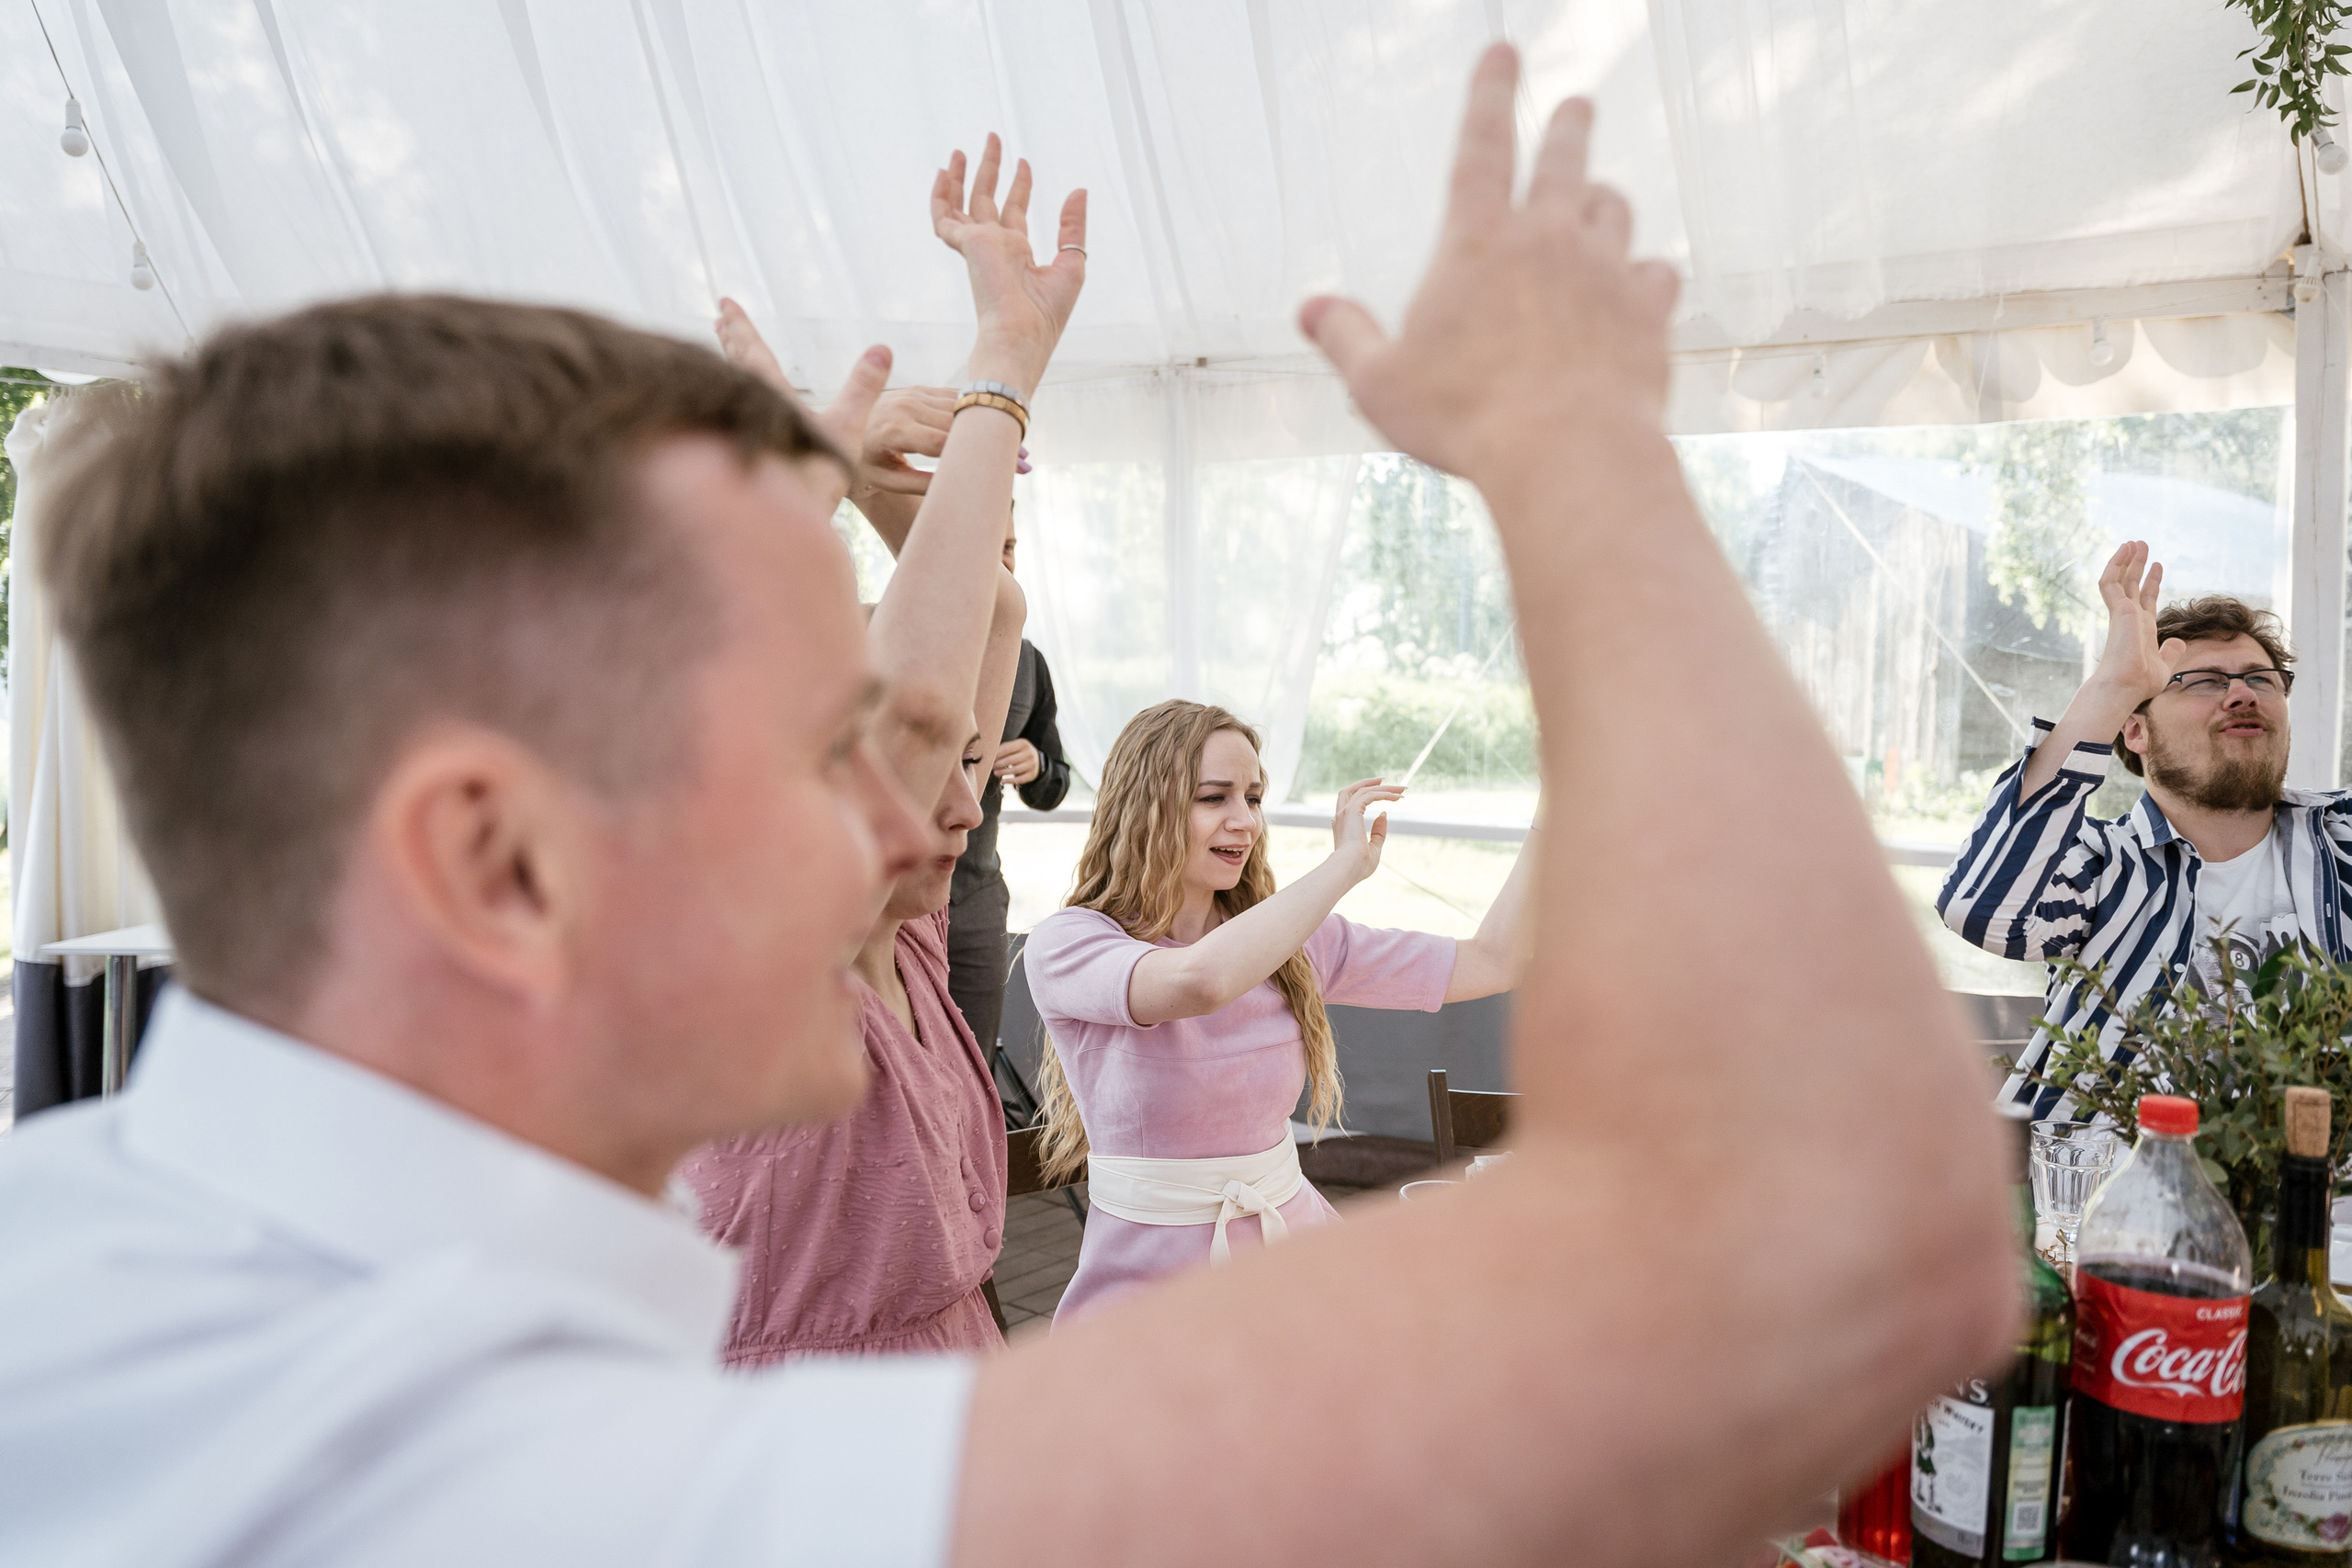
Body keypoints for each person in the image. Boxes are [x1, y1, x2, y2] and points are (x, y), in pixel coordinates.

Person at [0, 51, 2014, 1568]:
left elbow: (926, 710)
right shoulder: (576, 1493)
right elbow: (1847, 1239)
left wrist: (989, 389)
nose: (921, 818)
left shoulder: (79, 1266)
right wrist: (1578, 449)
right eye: (824, 755)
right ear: (498, 862)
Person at [680, 253, 1049, 1359]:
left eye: (972, 770)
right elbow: (925, 711)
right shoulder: (794, 963)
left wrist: (877, 477)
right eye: (920, 769)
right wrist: (1000, 378)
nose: (961, 807)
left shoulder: (914, 947)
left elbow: (996, 617)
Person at [1022, 698, 1533, 1319]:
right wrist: (1344, 866)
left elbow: (1493, 960)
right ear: (1147, 804)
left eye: (1254, 798)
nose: (1245, 821)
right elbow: (1202, 980)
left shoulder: (1294, 942)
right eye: (1215, 798)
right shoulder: (1070, 943)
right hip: (1151, 1293)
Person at [1939, 541, 2352, 1118]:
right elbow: (1982, 910)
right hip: (2107, 1193)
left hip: (2316, 1201)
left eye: (2262, 678)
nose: (2242, 693)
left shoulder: (2343, 840)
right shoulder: (2098, 864)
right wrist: (2113, 684)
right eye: (2205, 681)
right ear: (2133, 731)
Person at [948, 506, 1073, 1064]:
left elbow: (1056, 785)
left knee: (974, 1066)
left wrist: (1037, 765)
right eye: (987, 544)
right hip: (887, 900)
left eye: (1010, 546)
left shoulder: (1030, 662)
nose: (1003, 560)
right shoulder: (893, 641)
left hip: (976, 896)